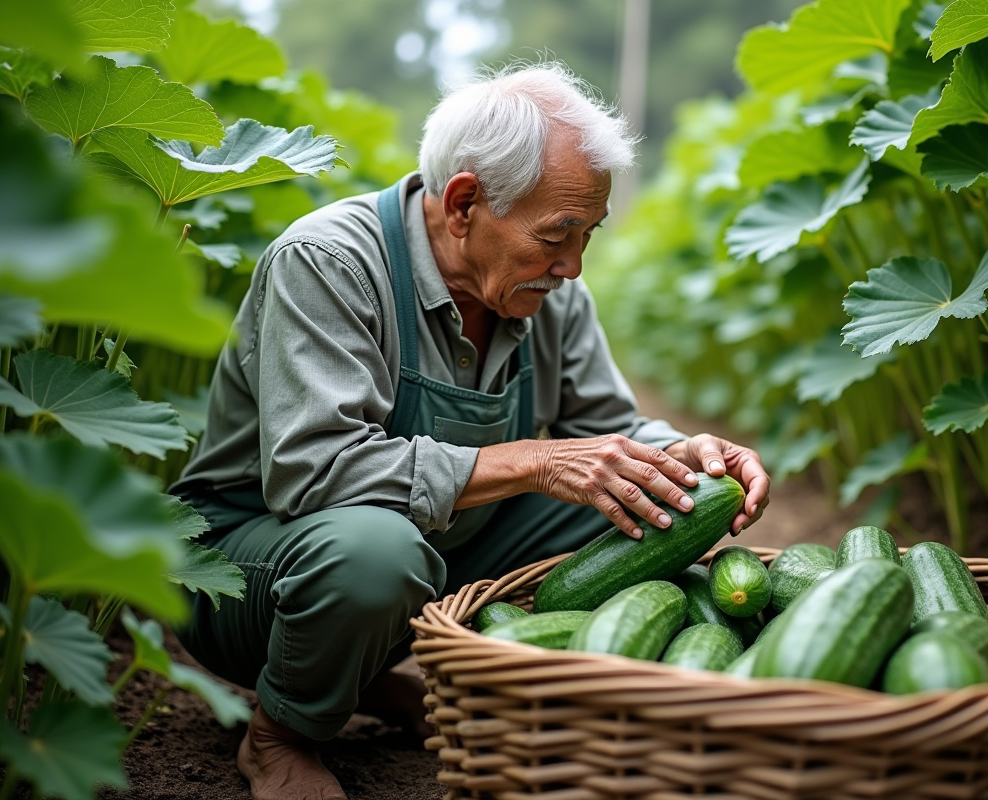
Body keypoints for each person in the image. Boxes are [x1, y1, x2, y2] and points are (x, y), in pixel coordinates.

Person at [172, 62, 770, 800]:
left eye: (589, 234)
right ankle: (282, 731)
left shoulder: (542, 290)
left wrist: (680, 453)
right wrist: (531, 461)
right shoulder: (329, 261)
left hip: (431, 547)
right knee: (376, 556)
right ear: (464, 204)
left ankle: (367, 675)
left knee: (652, 498)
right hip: (250, 568)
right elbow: (313, 473)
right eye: (559, 233)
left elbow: (611, 432)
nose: (575, 265)